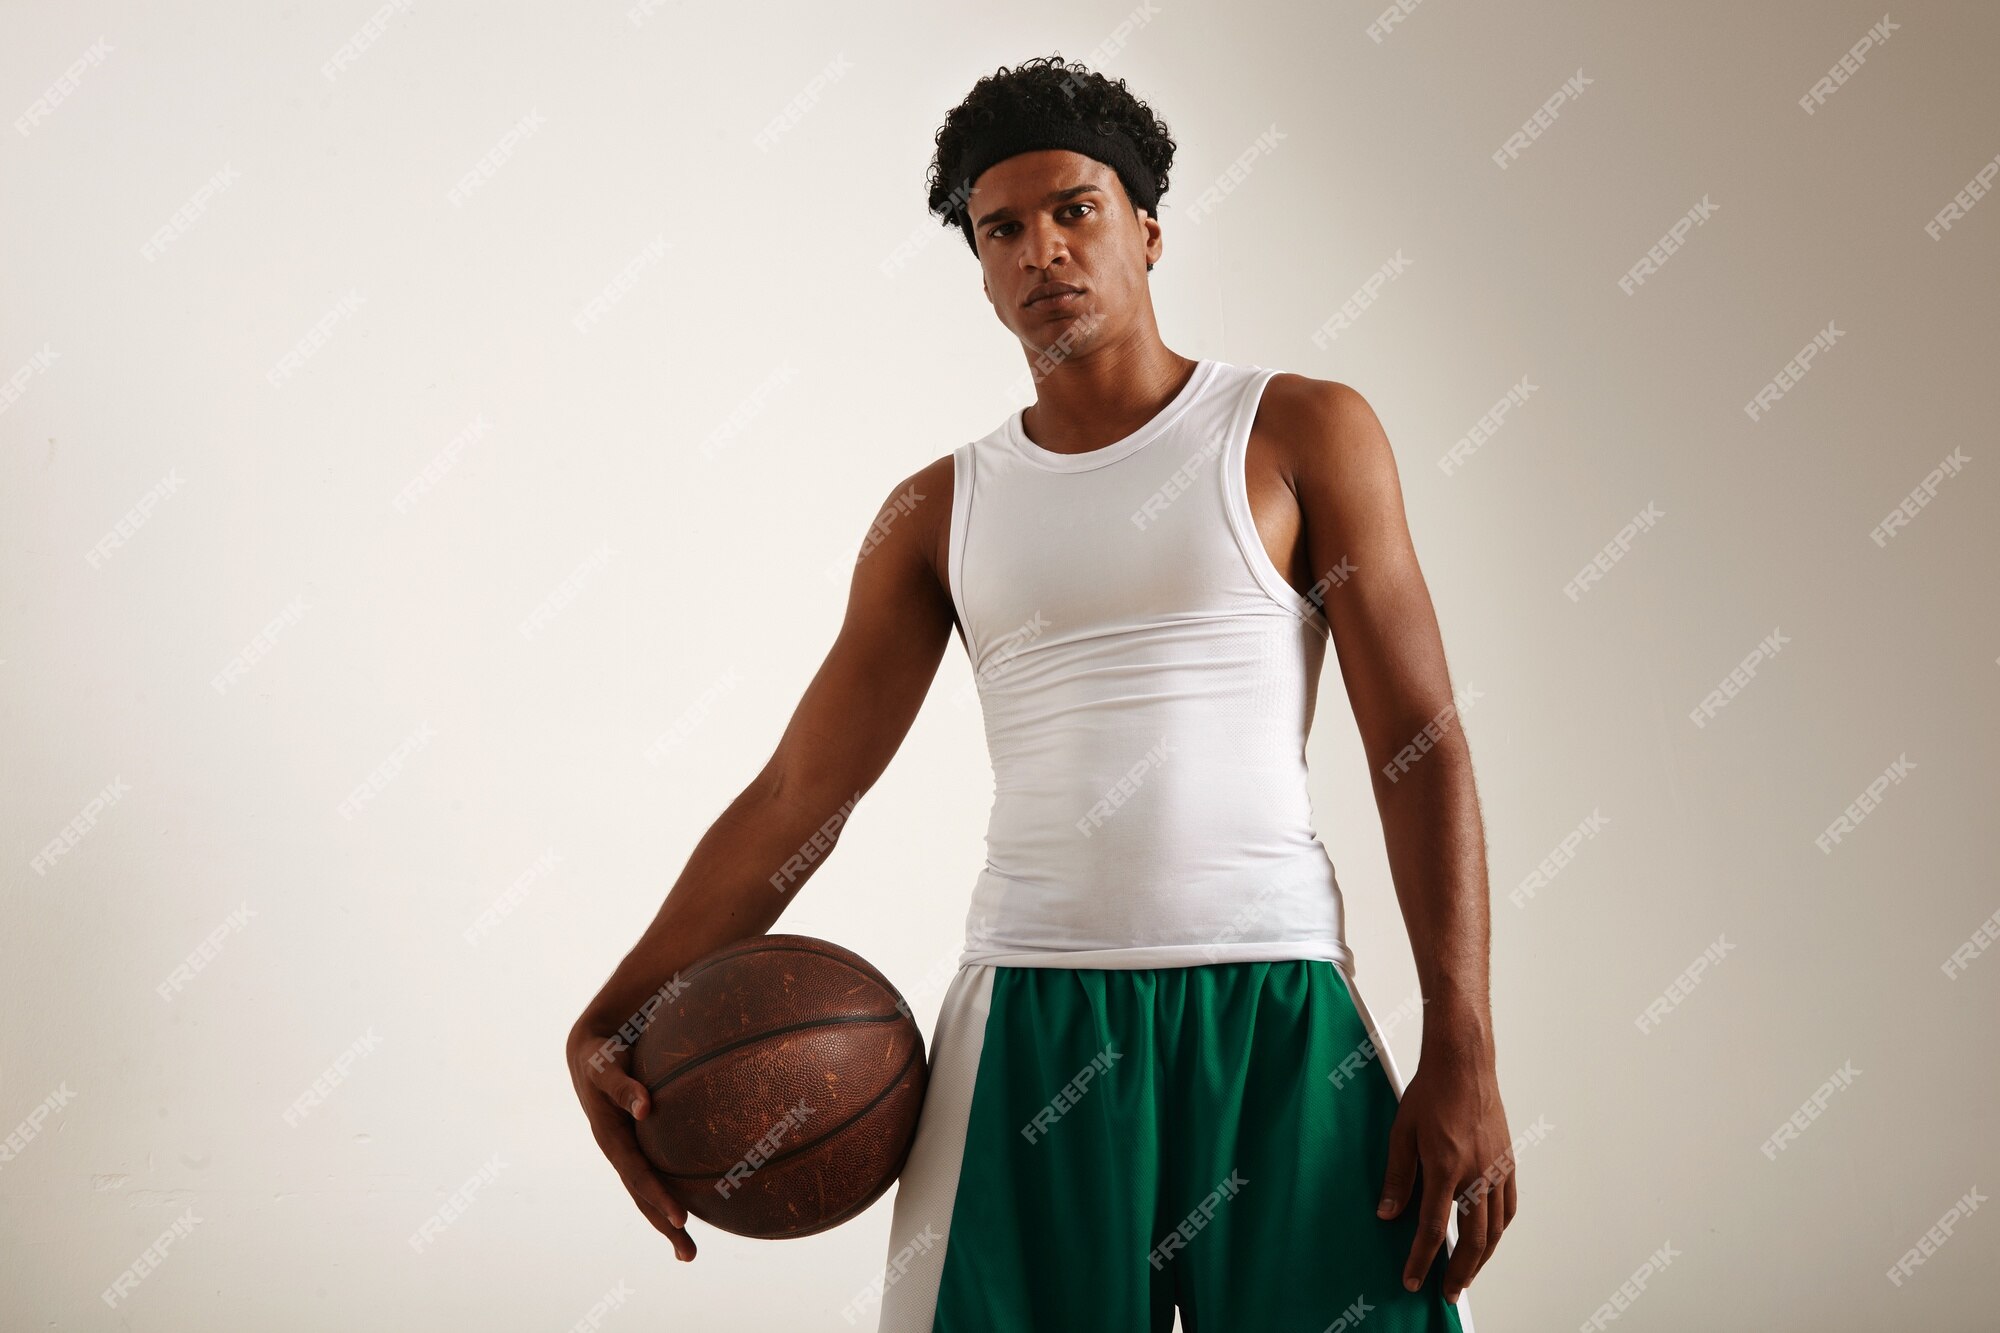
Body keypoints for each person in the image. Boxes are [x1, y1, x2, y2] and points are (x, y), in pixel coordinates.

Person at [568, 52, 1514, 1333]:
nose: (1039, 252)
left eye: (1074, 209)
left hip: (1276, 1005)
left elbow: (1418, 743)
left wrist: (1462, 1039)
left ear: (1147, 228)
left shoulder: (1297, 431)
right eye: (999, 228)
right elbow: (803, 792)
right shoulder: (936, 511)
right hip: (1031, 1016)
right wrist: (615, 1013)